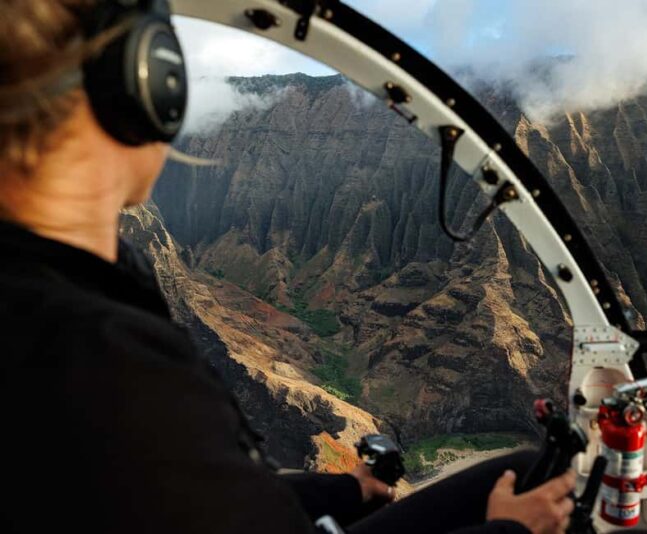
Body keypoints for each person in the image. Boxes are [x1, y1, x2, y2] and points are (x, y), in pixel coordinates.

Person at [0, 1, 576, 533]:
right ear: (141, 87)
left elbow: (214, 498)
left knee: (522, 468)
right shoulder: (109, 365)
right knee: (527, 485)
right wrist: (506, 532)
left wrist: (344, 491)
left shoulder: (50, 307)